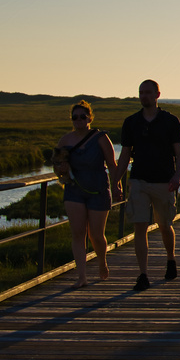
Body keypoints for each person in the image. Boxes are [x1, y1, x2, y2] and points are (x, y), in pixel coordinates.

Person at [114, 79, 180, 292]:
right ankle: (143, 274)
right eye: (141, 92)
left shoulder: (170, 121)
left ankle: (171, 259)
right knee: (140, 226)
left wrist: (177, 175)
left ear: (157, 94)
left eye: (147, 92)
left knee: (164, 225)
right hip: (139, 181)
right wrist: (116, 180)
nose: (143, 96)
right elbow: (125, 154)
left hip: (164, 181)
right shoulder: (131, 122)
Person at [55, 100, 121, 287]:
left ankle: (102, 262)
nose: (78, 120)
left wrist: (116, 186)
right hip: (74, 190)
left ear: (89, 118)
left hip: (98, 189)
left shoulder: (100, 138)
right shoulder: (65, 140)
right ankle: (81, 276)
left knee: (96, 235)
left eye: (82, 117)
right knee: (77, 233)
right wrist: (62, 167)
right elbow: (57, 166)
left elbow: (112, 164)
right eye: (75, 117)